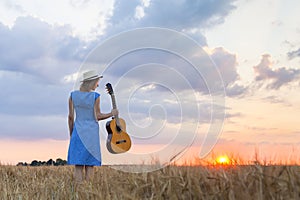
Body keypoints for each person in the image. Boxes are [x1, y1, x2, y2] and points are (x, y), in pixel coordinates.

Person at [67, 70, 118, 183]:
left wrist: (72, 133)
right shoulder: (95, 96)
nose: (98, 84)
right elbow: (98, 116)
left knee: (78, 165)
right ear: (91, 82)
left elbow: (70, 117)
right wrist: (111, 114)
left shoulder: (73, 95)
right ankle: (89, 193)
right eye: (97, 82)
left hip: (77, 133)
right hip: (91, 134)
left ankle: (78, 193)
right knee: (90, 164)